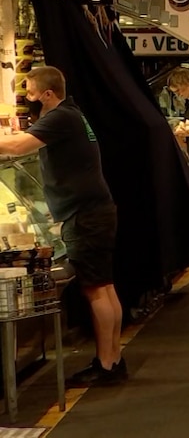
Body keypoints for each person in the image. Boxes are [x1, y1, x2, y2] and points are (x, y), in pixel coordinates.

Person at [0, 66, 124, 387]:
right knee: (105, 286)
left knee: (96, 289)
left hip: (85, 215)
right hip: (95, 211)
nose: (27, 97)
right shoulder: (72, 114)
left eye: (29, 91)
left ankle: (107, 364)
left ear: (47, 94)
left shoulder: (60, 117)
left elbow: (16, 148)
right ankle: (113, 359)